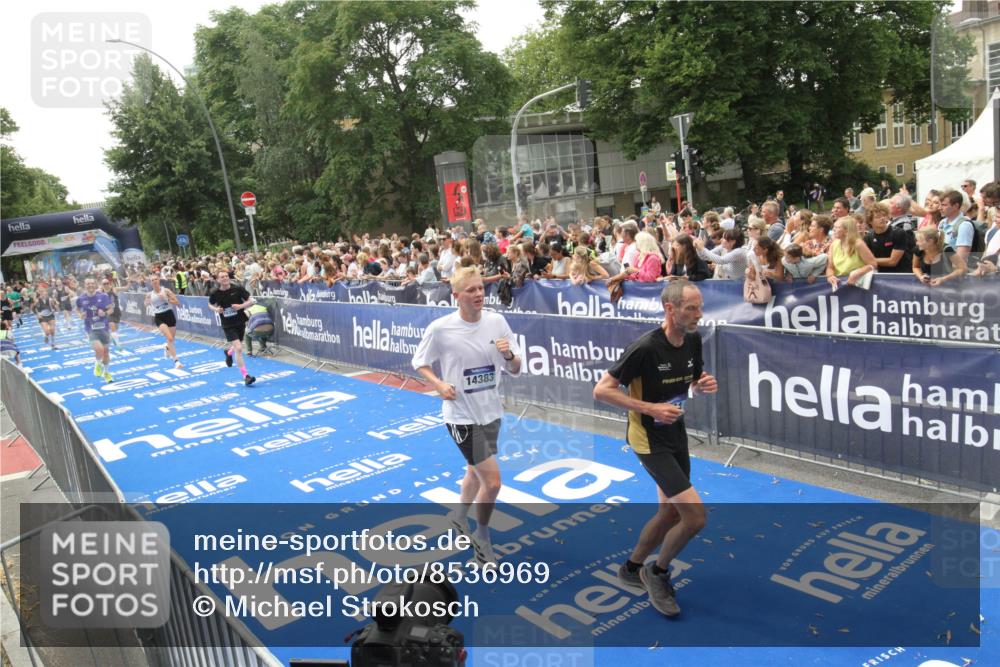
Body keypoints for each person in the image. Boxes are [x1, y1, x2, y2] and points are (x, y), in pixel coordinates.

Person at [593, 280, 718, 617]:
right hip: (648, 439)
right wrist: (650, 408)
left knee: (669, 512)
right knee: (694, 517)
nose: (698, 314)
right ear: (670, 309)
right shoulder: (645, 348)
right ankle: (657, 572)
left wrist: (700, 384)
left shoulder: (692, 339)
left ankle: (632, 568)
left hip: (675, 433)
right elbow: (601, 391)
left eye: (699, 307)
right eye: (691, 308)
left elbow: (691, 379)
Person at [411, 267, 522, 565]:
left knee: (474, 471)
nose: (478, 294)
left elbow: (516, 368)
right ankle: (482, 539)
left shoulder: (497, 322)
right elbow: (419, 362)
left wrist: (509, 355)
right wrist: (439, 384)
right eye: (470, 290)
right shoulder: (441, 328)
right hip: (460, 416)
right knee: (494, 482)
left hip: (491, 411)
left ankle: (459, 517)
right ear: (456, 296)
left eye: (481, 289)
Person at [207, 270, 256, 386]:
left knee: (237, 345)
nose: (224, 278)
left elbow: (251, 301)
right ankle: (246, 376)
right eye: (222, 277)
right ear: (218, 280)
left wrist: (240, 306)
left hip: (240, 321)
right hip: (227, 324)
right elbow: (210, 304)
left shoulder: (237, 289)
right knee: (238, 348)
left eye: (226, 276)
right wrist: (216, 310)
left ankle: (229, 353)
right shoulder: (215, 292)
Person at [76, 277, 114, 383]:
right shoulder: (81, 298)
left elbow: (111, 309)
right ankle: (97, 363)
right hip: (90, 328)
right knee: (99, 349)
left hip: (104, 328)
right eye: (88, 284)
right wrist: (80, 315)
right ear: (85, 285)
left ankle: (106, 373)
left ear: (95, 284)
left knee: (106, 352)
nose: (90, 285)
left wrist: (105, 313)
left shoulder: (103, 296)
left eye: (92, 283)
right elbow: (77, 309)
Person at [826, 217, 878, 289]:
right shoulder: (834, 244)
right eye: (833, 227)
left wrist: (857, 273)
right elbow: (830, 267)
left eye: (837, 227)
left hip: (858, 285)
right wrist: (830, 276)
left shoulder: (858, 244)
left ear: (847, 231)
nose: (833, 230)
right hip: (840, 285)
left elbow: (873, 264)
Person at [146, 274, 183, 369]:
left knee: (171, 340)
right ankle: (176, 361)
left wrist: (166, 299)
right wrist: (147, 302)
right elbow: (145, 303)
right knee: (170, 338)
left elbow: (178, 303)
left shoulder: (166, 291)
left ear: (159, 280)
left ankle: (167, 347)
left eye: (156, 279)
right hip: (159, 317)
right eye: (152, 280)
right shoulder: (149, 294)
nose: (154, 281)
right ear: (151, 283)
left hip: (169, 315)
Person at [865, 202, 911, 273]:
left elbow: (893, 261)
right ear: (870, 221)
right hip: (880, 276)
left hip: (901, 275)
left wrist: (870, 260)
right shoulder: (868, 237)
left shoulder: (898, 233)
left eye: (884, 215)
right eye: (878, 217)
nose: (882, 218)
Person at [101, 277, 123, 346]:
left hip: (116, 312)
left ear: (109, 283)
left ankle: (113, 337)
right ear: (102, 285)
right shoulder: (100, 292)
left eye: (107, 283)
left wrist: (129, 283)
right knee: (112, 325)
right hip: (108, 312)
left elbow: (126, 288)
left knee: (115, 327)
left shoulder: (114, 289)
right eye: (104, 284)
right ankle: (118, 344)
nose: (106, 285)